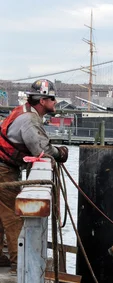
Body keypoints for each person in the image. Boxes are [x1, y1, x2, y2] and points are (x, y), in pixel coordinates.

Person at [0, 79, 69, 272]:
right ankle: (20, 264)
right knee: (14, 215)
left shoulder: (25, 112)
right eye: (52, 98)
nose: (55, 102)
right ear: (43, 100)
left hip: (5, 166)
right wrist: (60, 153)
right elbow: (42, 149)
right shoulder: (30, 120)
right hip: (3, 170)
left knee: (1, 214)